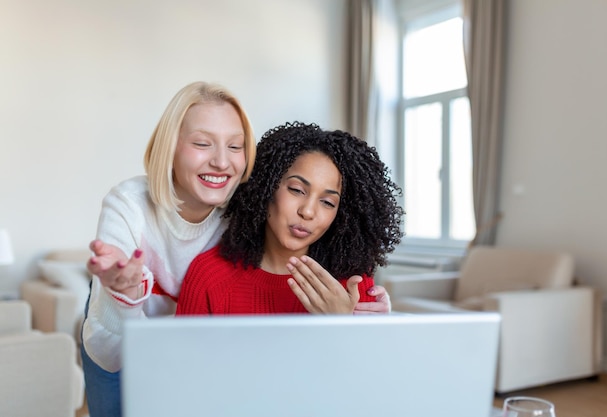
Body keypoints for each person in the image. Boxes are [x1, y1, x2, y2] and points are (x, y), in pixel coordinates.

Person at [82, 84, 392, 417]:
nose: (220, 162)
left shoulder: (239, 199)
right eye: (202, 143)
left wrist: (363, 325)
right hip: (121, 322)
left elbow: (373, 389)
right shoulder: (132, 205)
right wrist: (122, 294)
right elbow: (184, 385)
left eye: (235, 147)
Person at [176, 121, 404, 315]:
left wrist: (342, 323)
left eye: (327, 202)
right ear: (266, 188)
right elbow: (181, 363)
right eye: (296, 190)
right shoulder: (209, 275)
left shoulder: (350, 284)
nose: (308, 211)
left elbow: (370, 366)